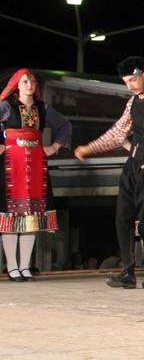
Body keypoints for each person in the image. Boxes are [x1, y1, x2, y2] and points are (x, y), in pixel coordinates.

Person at [75, 56, 144, 289]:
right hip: (133, 163)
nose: (130, 86)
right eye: (126, 82)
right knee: (122, 217)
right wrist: (89, 148)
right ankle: (128, 272)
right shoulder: (132, 102)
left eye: (133, 80)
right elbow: (117, 134)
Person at [0, 69, 71, 281]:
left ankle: (25, 267)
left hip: (36, 165)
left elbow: (64, 125)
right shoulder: (6, 106)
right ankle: (12, 267)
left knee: (31, 216)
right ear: (17, 85)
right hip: (12, 163)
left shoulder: (42, 108)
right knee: (11, 215)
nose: (29, 85)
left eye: (32, 81)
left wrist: (54, 147)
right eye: (25, 81)